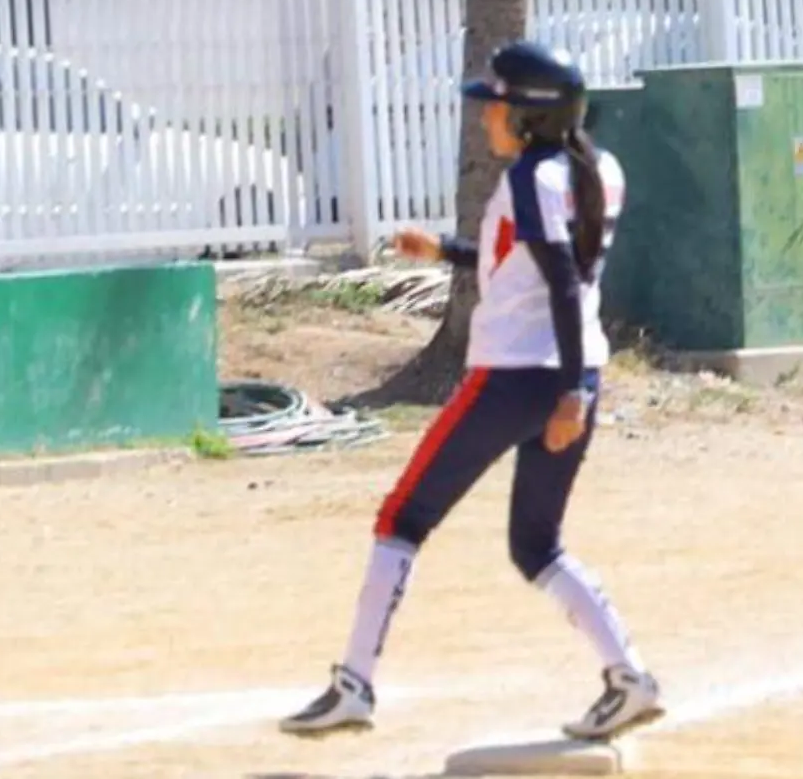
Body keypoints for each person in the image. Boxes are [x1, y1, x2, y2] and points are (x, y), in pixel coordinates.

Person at [278, 40, 663, 742]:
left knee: (402, 516)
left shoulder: (529, 180)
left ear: (531, 118)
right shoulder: (596, 168)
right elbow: (537, 261)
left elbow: (562, 284)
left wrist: (569, 391)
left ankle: (353, 685)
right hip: (570, 369)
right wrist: (450, 252)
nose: (489, 116)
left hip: (516, 376)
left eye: (500, 106)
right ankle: (629, 676)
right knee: (535, 544)